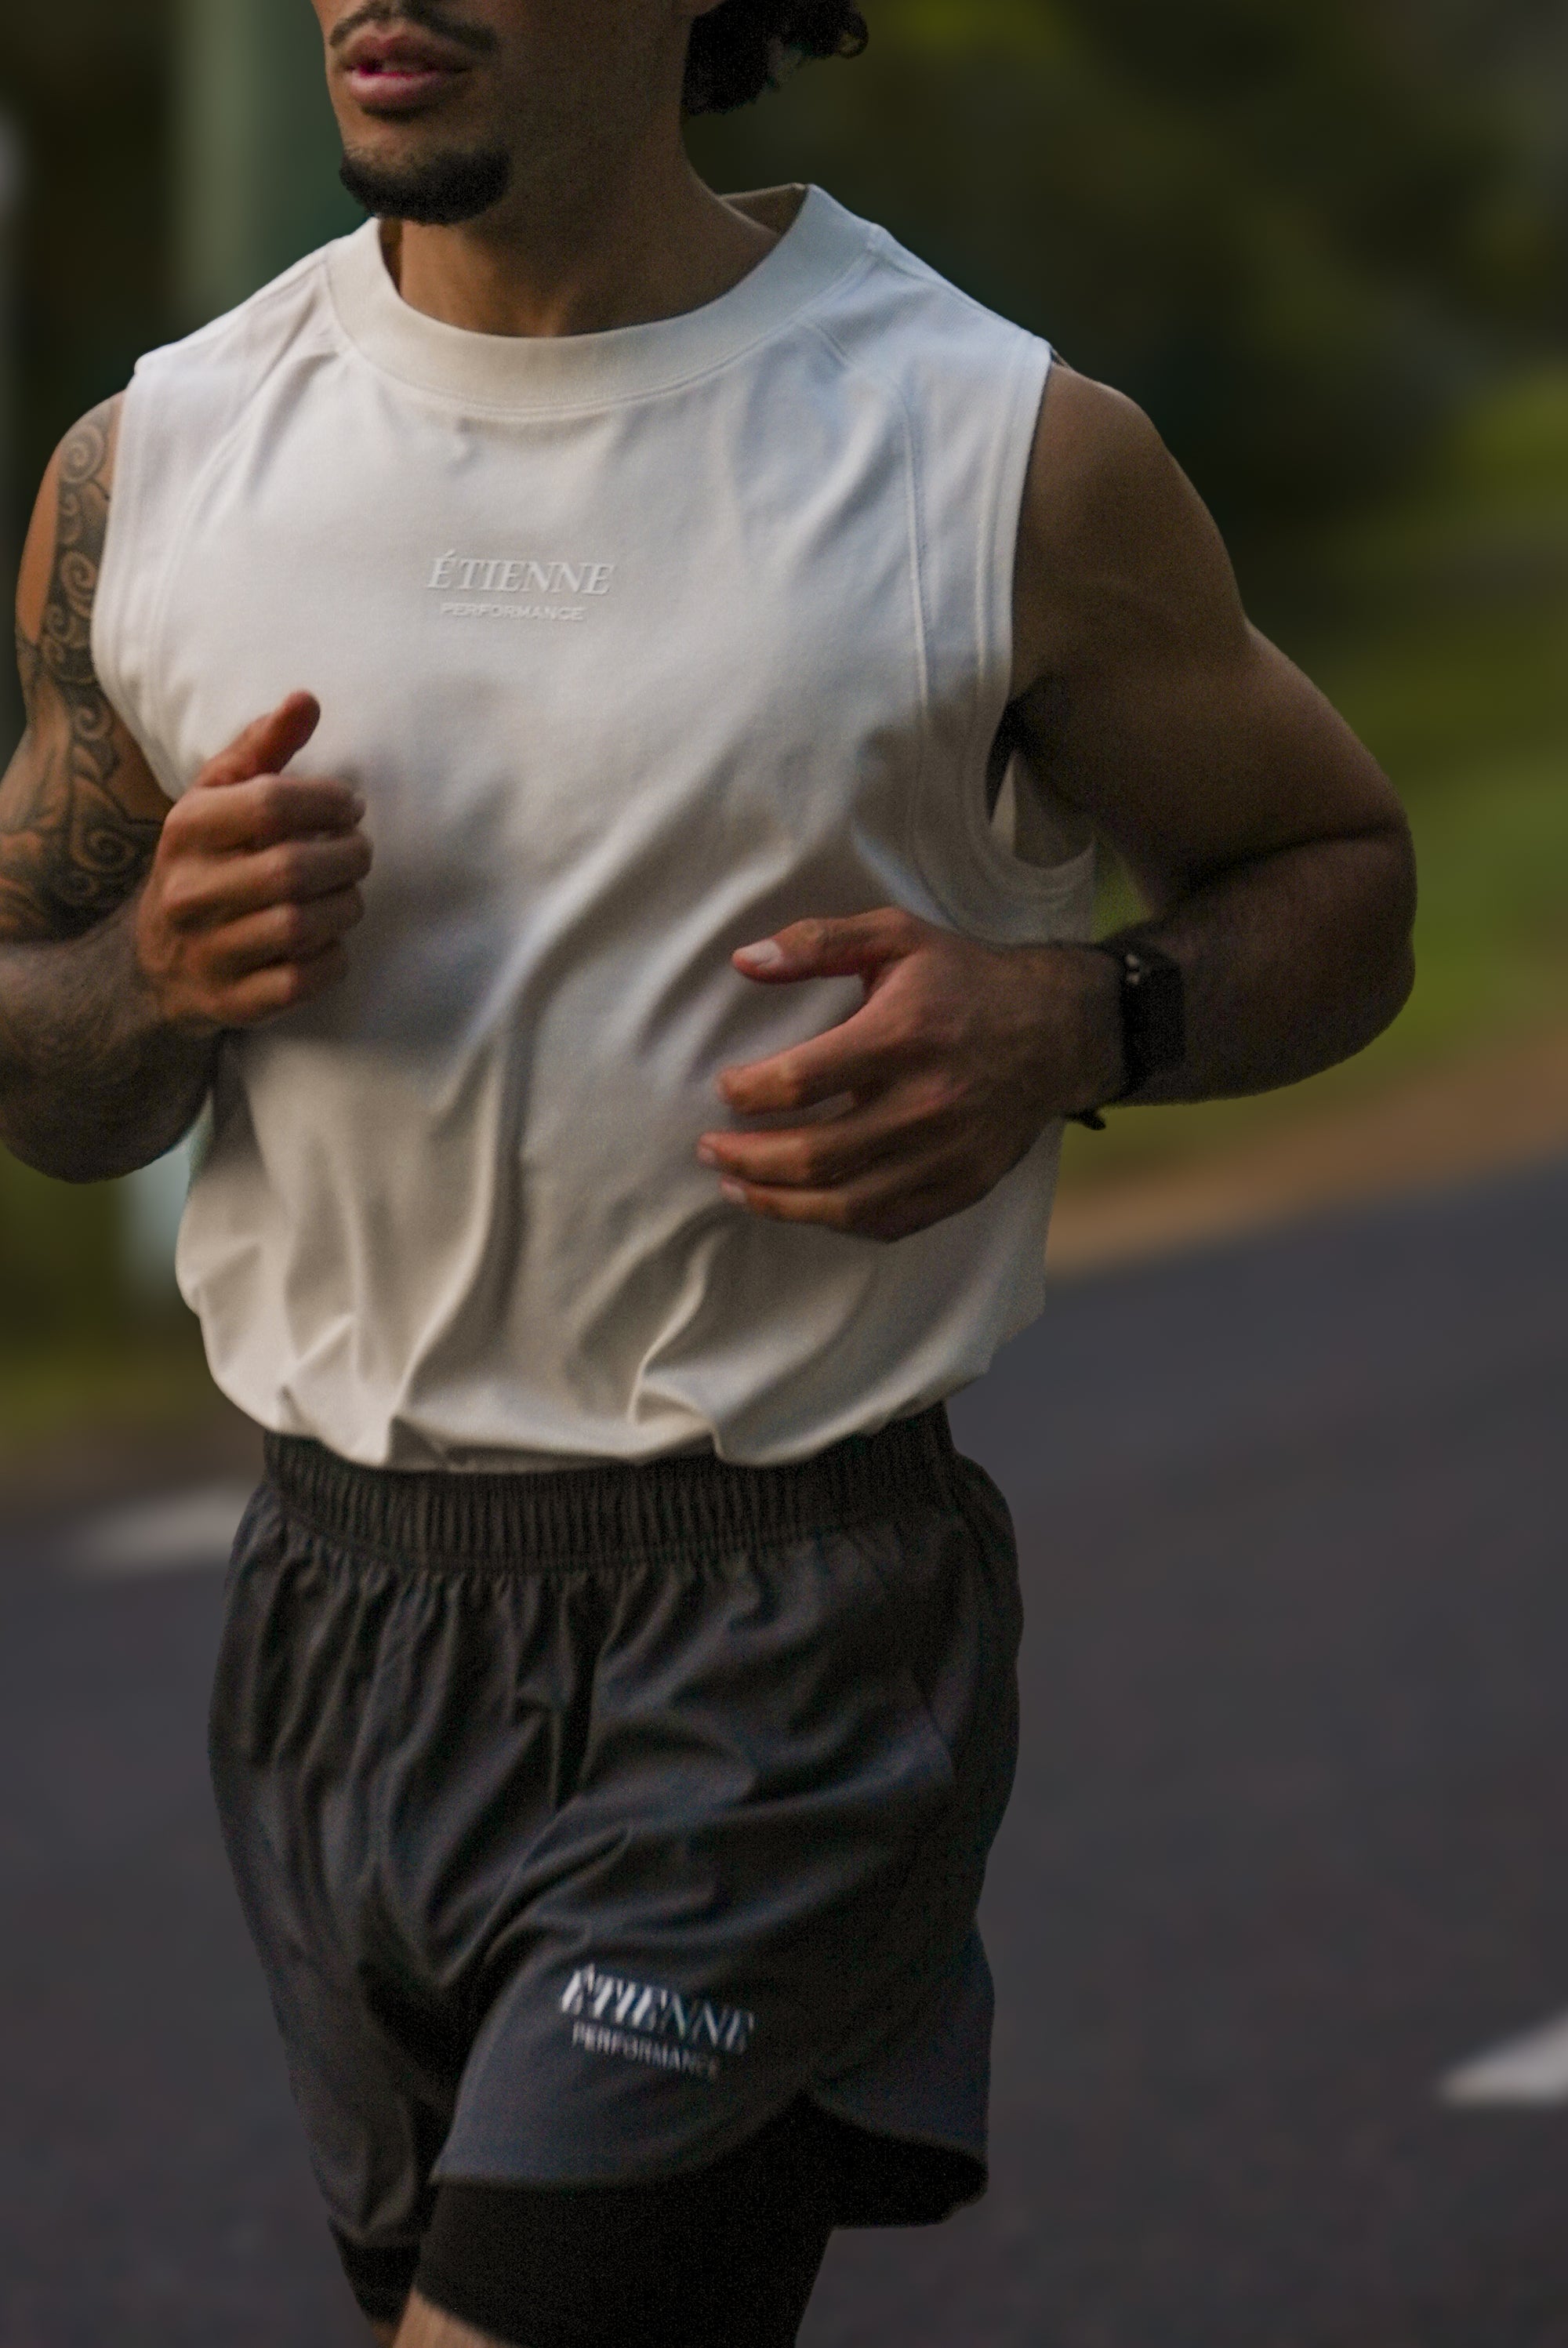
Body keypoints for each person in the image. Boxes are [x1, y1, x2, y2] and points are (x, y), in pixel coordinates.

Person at [0, 2, 1417, 2342]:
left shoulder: (997, 450)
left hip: (778, 1634)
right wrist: (154, 974)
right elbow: (52, 1084)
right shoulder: (151, 463)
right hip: (336, 1624)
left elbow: (1337, 870)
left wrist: (1086, 1012)